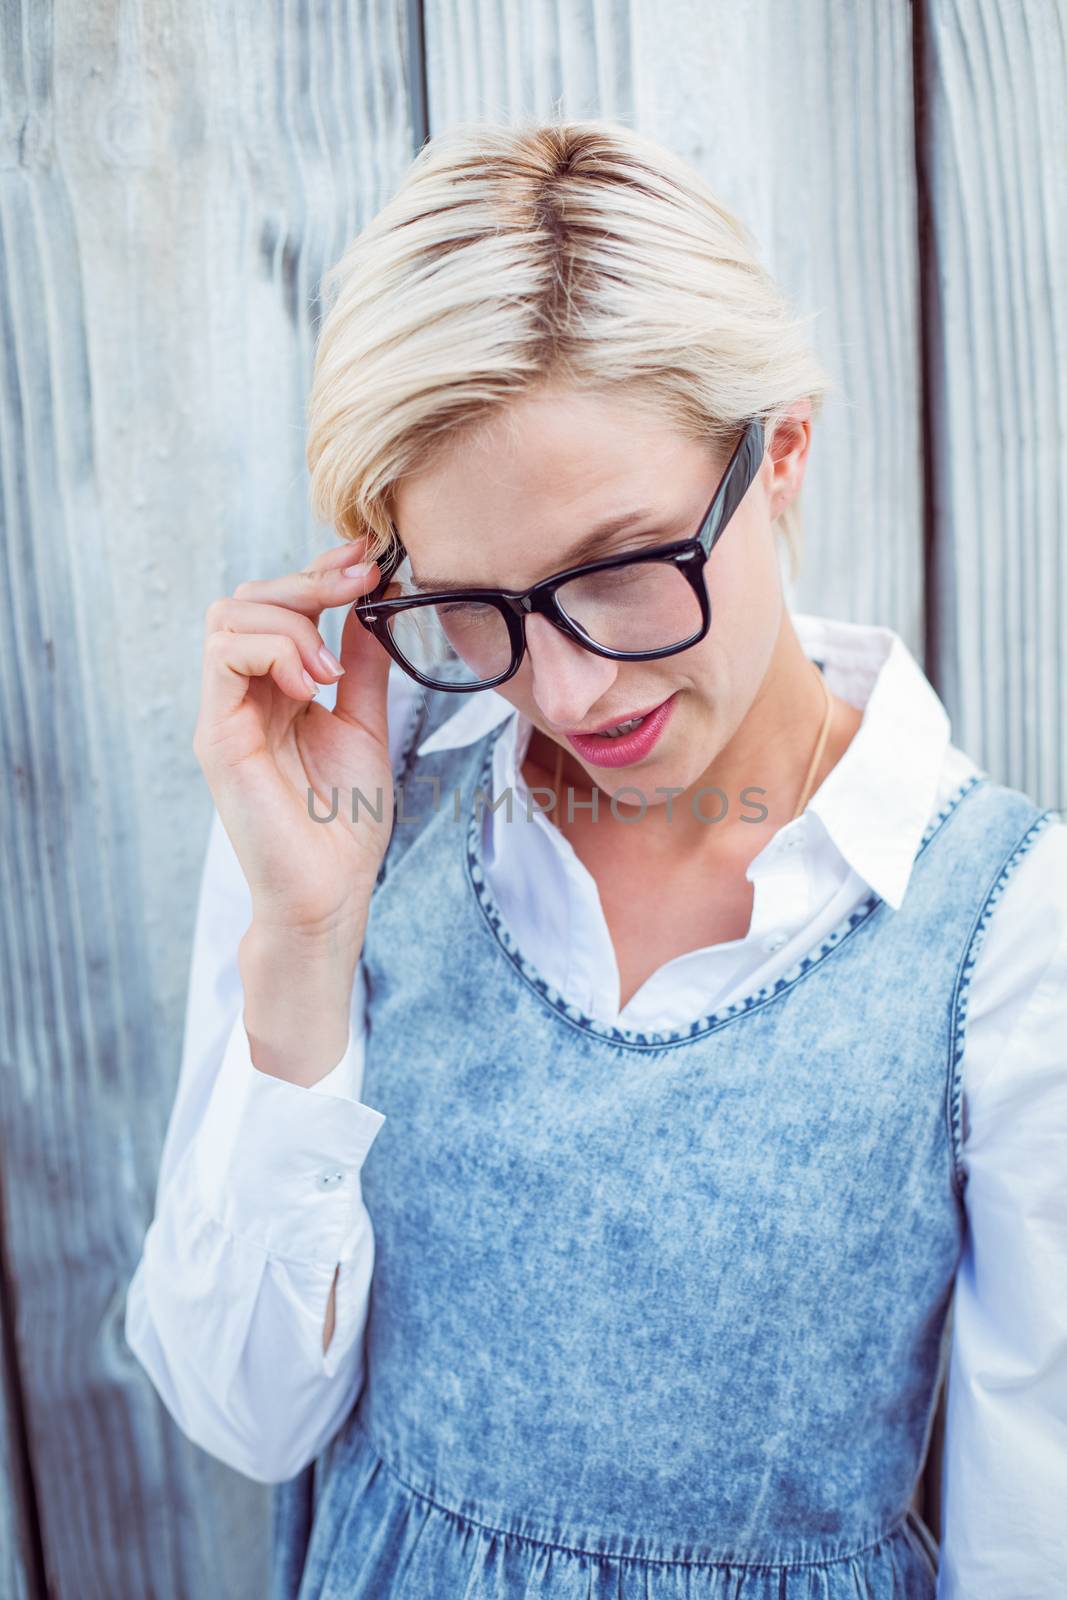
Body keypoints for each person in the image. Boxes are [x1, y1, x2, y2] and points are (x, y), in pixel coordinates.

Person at [125, 120, 1067, 1599]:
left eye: (623, 573)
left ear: (784, 456)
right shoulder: (344, 840)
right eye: (479, 610)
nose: (565, 693)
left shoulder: (1007, 935)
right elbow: (249, 1421)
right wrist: (302, 941)